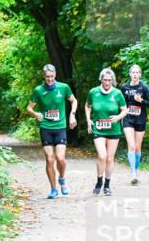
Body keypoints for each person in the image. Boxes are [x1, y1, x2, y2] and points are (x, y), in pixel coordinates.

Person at [27, 64, 77, 199]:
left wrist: (72, 115)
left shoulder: (63, 87)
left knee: (60, 158)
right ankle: (53, 188)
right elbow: (29, 108)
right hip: (45, 127)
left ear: (55, 75)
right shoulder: (38, 90)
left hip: (60, 127)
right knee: (49, 159)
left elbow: (74, 101)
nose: (49, 79)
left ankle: (62, 178)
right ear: (44, 76)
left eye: (52, 76)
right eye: (47, 77)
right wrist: (35, 114)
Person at [85, 67, 127, 196]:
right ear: (101, 79)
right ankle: (99, 182)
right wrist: (88, 120)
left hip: (113, 129)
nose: (107, 82)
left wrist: (117, 117)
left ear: (112, 80)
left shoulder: (117, 93)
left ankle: (107, 185)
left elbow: (125, 110)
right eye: (105, 80)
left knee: (110, 158)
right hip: (98, 128)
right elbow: (87, 106)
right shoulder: (93, 92)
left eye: (109, 80)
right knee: (102, 156)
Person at [120, 64, 149, 184]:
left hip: (140, 119)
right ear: (130, 74)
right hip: (128, 119)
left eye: (137, 72)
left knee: (138, 147)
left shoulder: (144, 88)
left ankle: (136, 169)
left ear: (140, 74)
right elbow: (120, 102)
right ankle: (133, 173)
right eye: (132, 72)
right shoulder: (124, 87)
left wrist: (141, 101)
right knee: (132, 146)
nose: (134, 74)